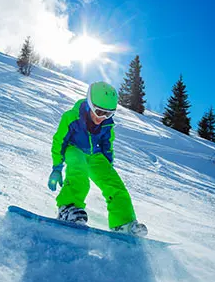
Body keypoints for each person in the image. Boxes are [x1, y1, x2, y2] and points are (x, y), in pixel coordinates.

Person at [47, 81, 148, 236]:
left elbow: (107, 145)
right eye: (100, 112)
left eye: (109, 114)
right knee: (79, 172)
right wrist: (57, 168)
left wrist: (107, 168)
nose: (103, 117)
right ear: (90, 104)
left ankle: (122, 222)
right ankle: (67, 208)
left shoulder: (107, 124)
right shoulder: (71, 118)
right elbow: (59, 142)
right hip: (74, 149)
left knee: (115, 185)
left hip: (95, 155)